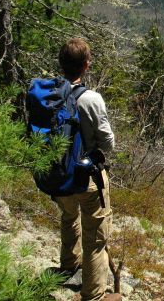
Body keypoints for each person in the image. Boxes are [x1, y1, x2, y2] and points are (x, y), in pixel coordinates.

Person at [54, 38, 120, 301]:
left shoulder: (50, 94)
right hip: (87, 176)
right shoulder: (91, 99)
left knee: (68, 217)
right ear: (86, 66)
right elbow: (108, 143)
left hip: (58, 173)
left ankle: (69, 265)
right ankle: (93, 295)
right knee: (95, 236)